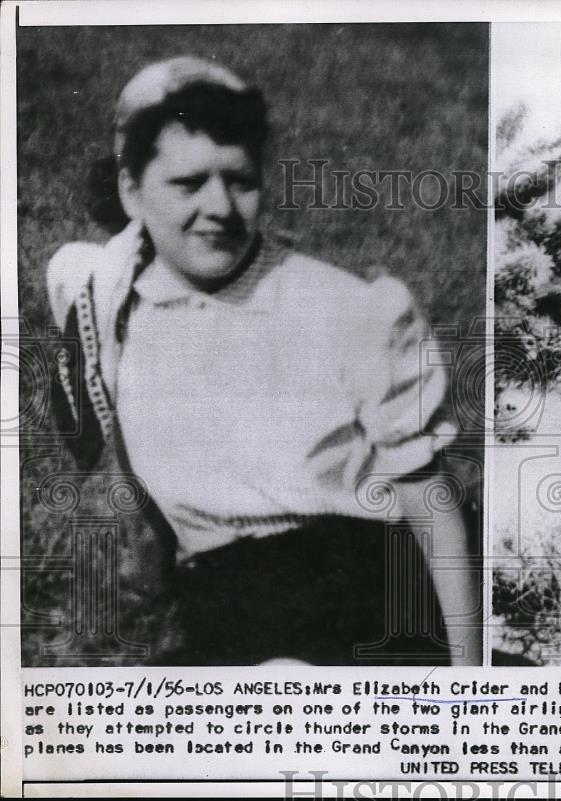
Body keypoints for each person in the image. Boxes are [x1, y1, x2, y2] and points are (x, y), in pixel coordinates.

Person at [46, 56, 482, 666]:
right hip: (227, 588)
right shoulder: (107, 296)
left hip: (360, 574)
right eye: (188, 183)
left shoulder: (348, 309)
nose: (220, 207)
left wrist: (470, 684)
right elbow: (115, 423)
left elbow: (430, 503)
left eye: (241, 180)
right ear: (130, 190)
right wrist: (154, 558)